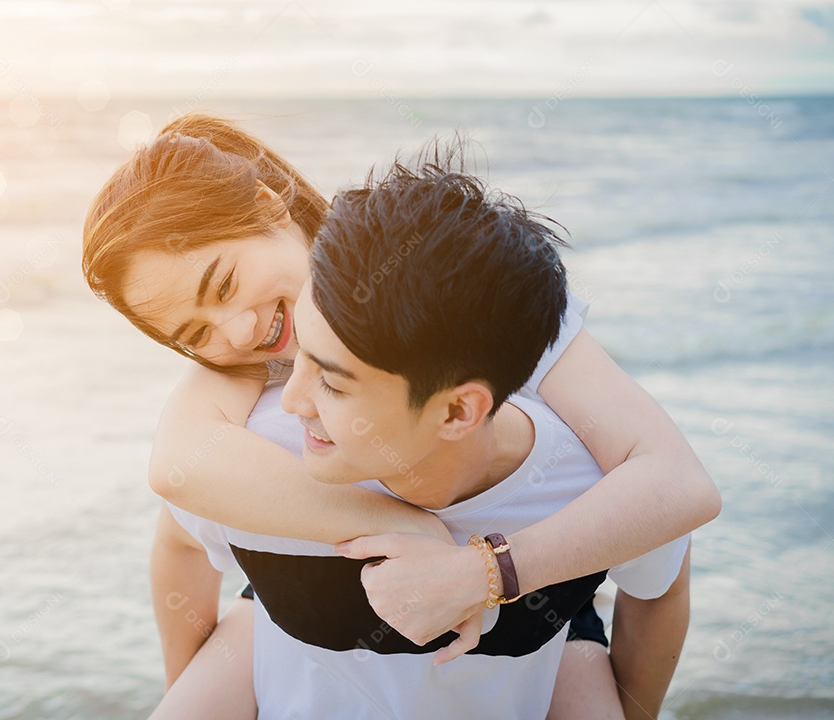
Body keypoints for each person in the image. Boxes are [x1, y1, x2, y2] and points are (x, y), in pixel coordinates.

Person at [81, 115, 719, 717]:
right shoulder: (245, 368)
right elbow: (177, 479)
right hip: (301, 598)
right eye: (194, 333)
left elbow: (674, 487)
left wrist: (487, 570)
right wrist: (404, 528)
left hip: (542, 596)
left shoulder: (471, 289)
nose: (240, 331)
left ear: (269, 201)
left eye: (223, 286)